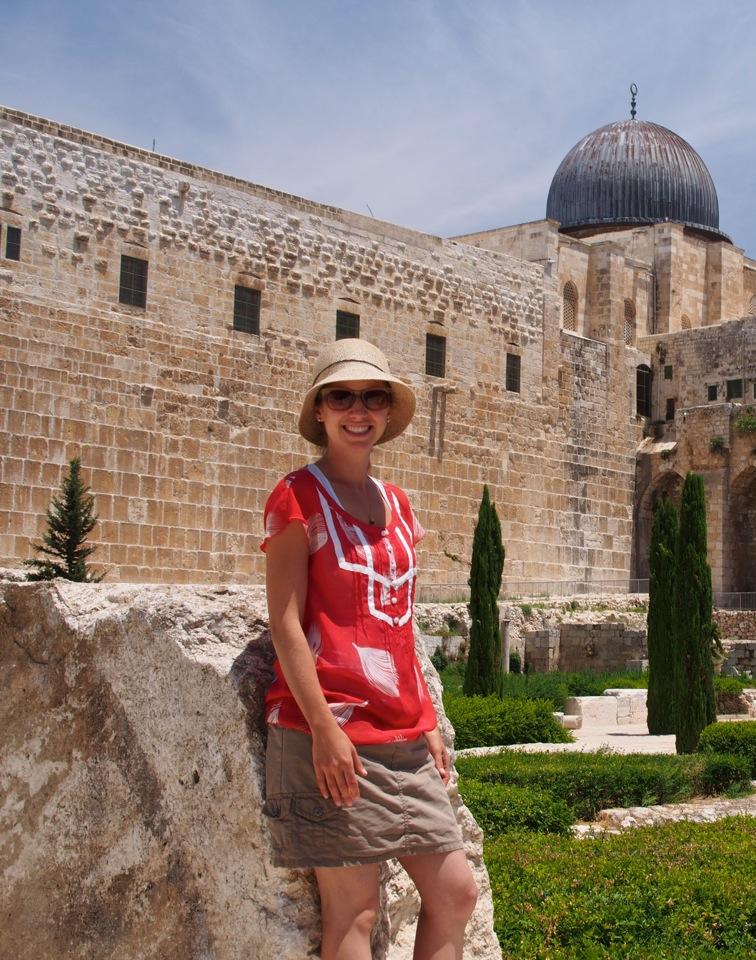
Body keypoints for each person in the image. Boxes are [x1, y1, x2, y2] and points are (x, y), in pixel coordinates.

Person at [260, 338, 477, 960]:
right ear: (321, 412)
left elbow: (396, 621)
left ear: (388, 411)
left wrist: (427, 718)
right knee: (354, 913)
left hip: (401, 735)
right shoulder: (296, 498)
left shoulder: (399, 504)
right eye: (342, 397)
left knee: (455, 891)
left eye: (373, 397)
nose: (359, 410)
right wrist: (326, 731)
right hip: (329, 732)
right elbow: (286, 623)